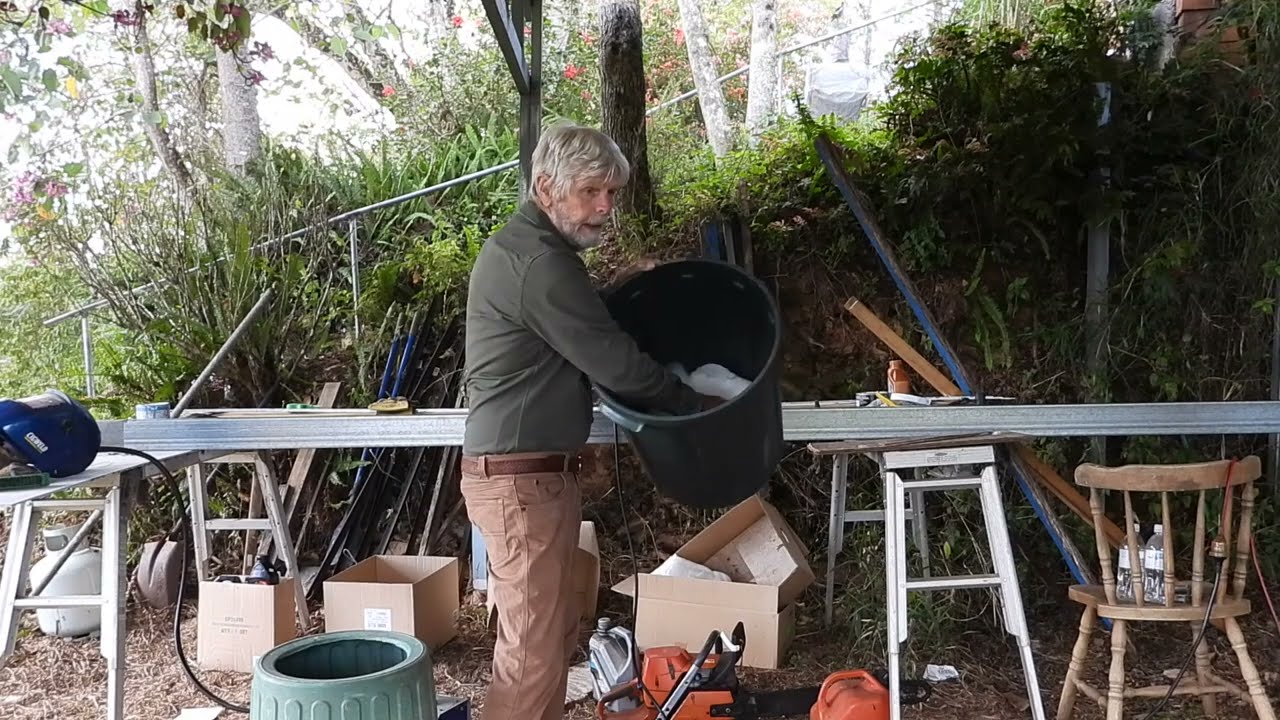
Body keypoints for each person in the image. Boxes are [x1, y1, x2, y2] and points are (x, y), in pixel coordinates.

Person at [460, 122, 711, 720]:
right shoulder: (539, 264)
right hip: (522, 484)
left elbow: (580, 329)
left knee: (544, 643)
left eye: (612, 194)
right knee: (531, 655)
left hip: (527, 481)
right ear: (547, 187)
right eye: (592, 192)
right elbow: (615, 364)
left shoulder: (533, 253)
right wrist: (695, 404)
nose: (605, 207)